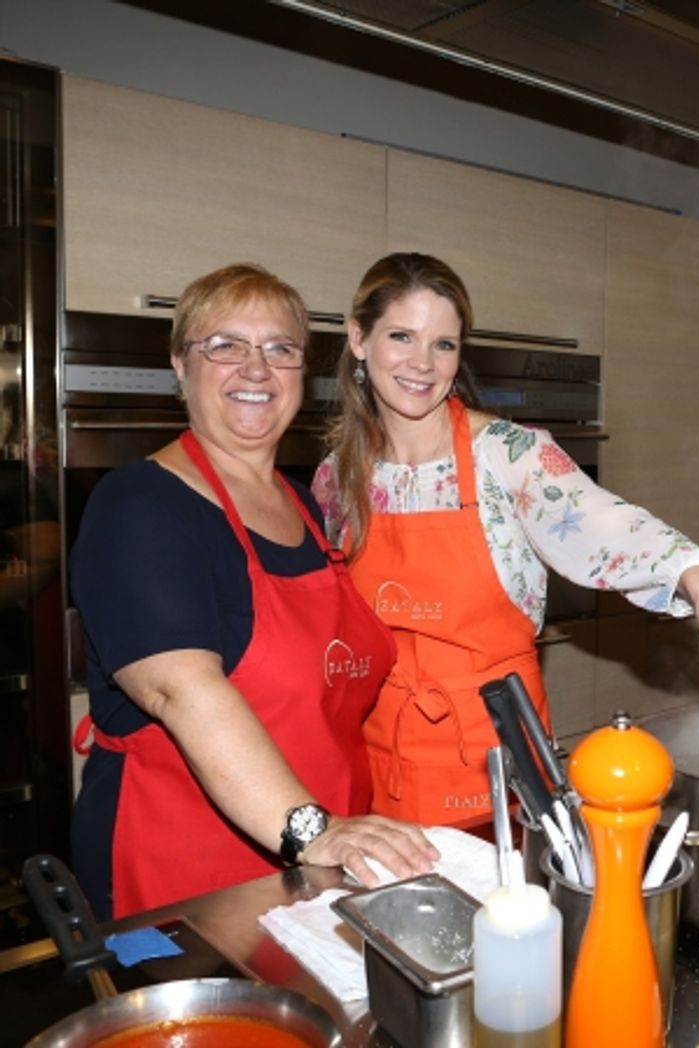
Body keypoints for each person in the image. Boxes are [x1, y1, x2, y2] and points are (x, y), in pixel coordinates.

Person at [313, 252, 699, 826]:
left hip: (495, 761)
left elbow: (603, 522)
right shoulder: (337, 477)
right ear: (359, 338)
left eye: (444, 344)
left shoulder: (510, 456)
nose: (422, 363)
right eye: (401, 336)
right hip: (375, 761)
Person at [70, 264, 437, 920]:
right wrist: (311, 831)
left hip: (318, 870)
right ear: (180, 366)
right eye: (225, 345)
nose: (256, 369)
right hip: (189, 881)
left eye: (280, 350)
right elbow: (180, 689)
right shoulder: (141, 505)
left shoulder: (303, 503)